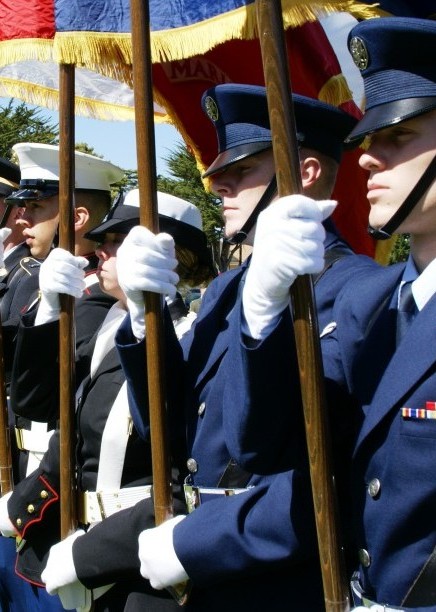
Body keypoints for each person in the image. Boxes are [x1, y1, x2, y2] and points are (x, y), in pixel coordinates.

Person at [36, 88, 379, 611]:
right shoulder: (225, 291)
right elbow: (166, 429)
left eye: (243, 170)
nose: (218, 184)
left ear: (305, 173)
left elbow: (311, 467)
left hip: (276, 580)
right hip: (194, 572)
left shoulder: (357, 291)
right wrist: (142, 318)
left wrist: (194, 543)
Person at [197, 18, 436, 611]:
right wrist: (262, 315)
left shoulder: (362, 291)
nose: (365, 161)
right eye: (368, 140)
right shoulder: (381, 305)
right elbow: (266, 448)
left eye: (397, 137)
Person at [0, 190, 215, 611]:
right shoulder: (109, 323)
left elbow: (175, 464)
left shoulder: (194, 333)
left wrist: (89, 555)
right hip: (74, 543)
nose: (101, 250)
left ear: (167, 253)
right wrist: (46, 313)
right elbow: (38, 406)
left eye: (118, 241)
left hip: (139, 568)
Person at [0, 144, 123, 612]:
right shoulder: (41, 287)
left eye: (36, 207)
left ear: (77, 217)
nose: (22, 219)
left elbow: (46, 401)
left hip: (59, 498)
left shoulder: (96, 301)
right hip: (26, 476)